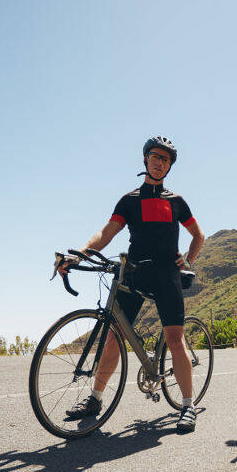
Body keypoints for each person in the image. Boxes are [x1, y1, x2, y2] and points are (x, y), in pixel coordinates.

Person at [58, 136, 205, 432]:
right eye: (155, 156)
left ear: (169, 166)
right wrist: (81, 253)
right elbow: (107, 233)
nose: (160, 162)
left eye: (165, 159)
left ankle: (188, 405)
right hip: (134, 274)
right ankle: (95, 399)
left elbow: (198, 236)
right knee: (113, 338)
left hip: (167, 275)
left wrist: (188, 261)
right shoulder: (129, 200)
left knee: (175, 339)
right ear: (145, 159)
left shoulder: (176, 202)